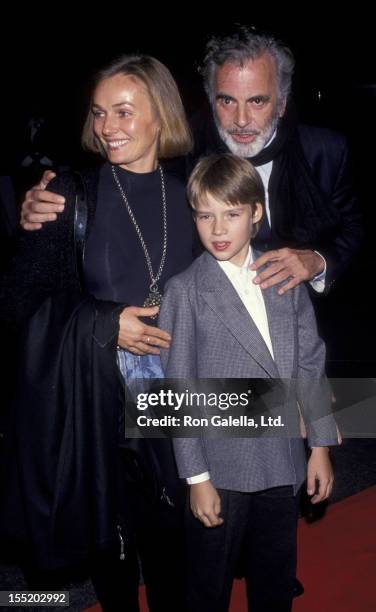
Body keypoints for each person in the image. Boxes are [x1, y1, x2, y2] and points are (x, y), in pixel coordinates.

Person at [0, 54, 193, 612]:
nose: (109, 127)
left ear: (161, 115)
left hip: (176, 404)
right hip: (98, 403)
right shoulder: (67, 195)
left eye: (125, 112)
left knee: (174, 544)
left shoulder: (194, 194)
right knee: (113, 544)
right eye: (100, 113)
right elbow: (16, 302)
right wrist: (107, 324)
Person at [20, 26, 363, 300]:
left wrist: (317, 261)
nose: (242, 119)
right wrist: (52, 206)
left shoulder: (326, 151)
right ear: (211, 99)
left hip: (311, 327)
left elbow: (353, 228)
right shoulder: (180, 155)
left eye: (257, 101)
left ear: (282, 104)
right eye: (227, 100)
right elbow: (118, 192)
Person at [158, 153, 339, 612]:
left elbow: (309, 362)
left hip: (281, 459)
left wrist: (319, 445)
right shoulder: (185, 291)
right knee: (208, 584)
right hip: (221, 466)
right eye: (205, 215)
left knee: (275, 580)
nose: (218, 230)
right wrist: (196, 477)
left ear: (256, 213)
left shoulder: (283, 277)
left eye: (231, 214)